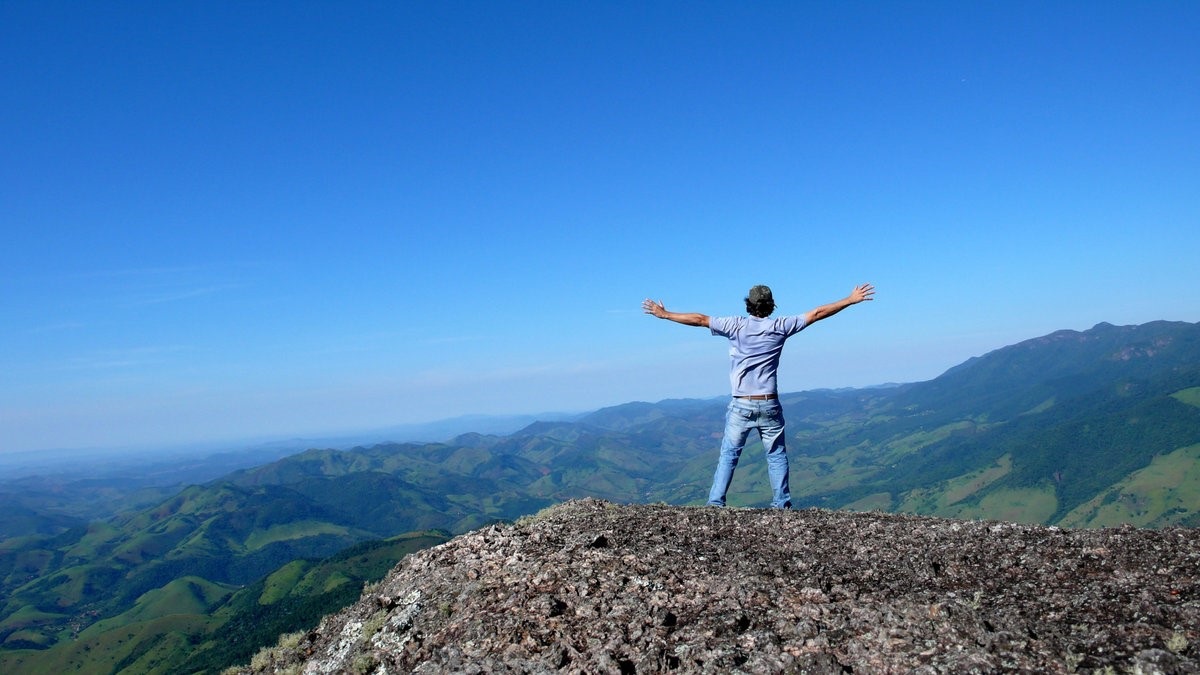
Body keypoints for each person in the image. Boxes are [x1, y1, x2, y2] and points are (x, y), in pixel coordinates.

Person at [642, 283, 875, 508]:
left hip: (741, 404)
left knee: (729, 455)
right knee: (776, 455)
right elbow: (816, 313)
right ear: (771, 305)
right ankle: (781, 504)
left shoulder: (735, 326)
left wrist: (665, 314)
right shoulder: (780, 326)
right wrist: (850, 300)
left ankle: (715, 503)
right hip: (769, 402)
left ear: (749, 304)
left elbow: (700, 319)